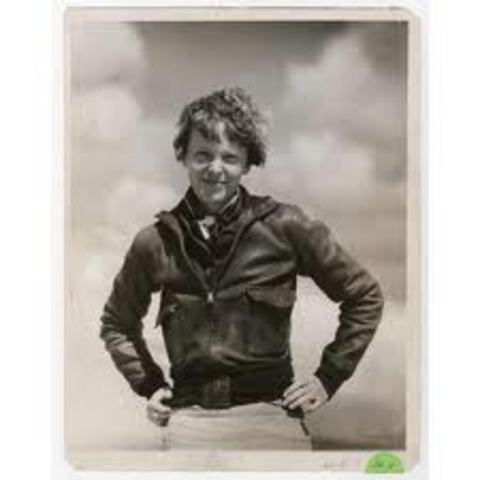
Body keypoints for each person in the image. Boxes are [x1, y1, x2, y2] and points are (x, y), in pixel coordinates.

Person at [99, 87, 384, 450]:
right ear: (183, 155)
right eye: (203, 155)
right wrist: (149, 385)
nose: (215, 168)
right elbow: (117, 324)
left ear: (248, 163)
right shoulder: (153, 242)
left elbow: (365, 296)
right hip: (189, 424)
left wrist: (328, 378)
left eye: (229, 157)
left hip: (273, 418)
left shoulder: (287, 226)